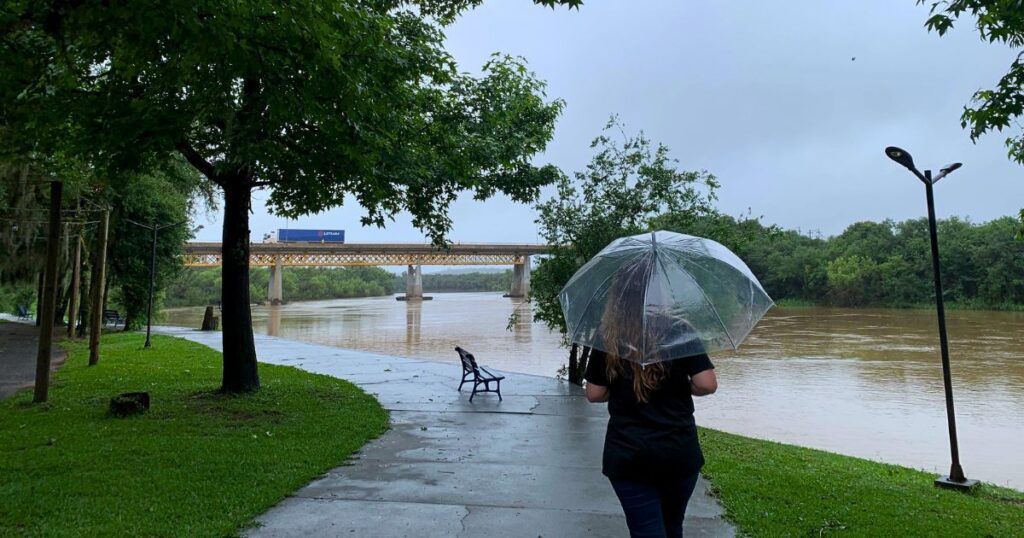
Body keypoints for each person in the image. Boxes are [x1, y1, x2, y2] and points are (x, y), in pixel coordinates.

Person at [583, 259, 718, 538]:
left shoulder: (608, 335)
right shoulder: (679, 330)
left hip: (629, 455)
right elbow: (706, 384)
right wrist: (681, 386)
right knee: (672, 527)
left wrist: (619, 388)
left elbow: (594, 393)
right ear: (660, 293)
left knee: (646, 531)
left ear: (621, 295)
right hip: (677, 452)